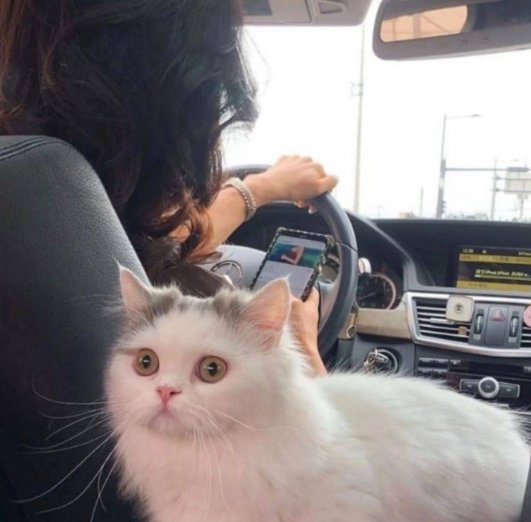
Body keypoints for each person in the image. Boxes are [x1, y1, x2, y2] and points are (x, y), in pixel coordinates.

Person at [0, 0, 336, 374]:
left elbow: (150, 244)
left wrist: (258, 189)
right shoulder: (72, 208)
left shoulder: (36, 204)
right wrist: (301, 352)